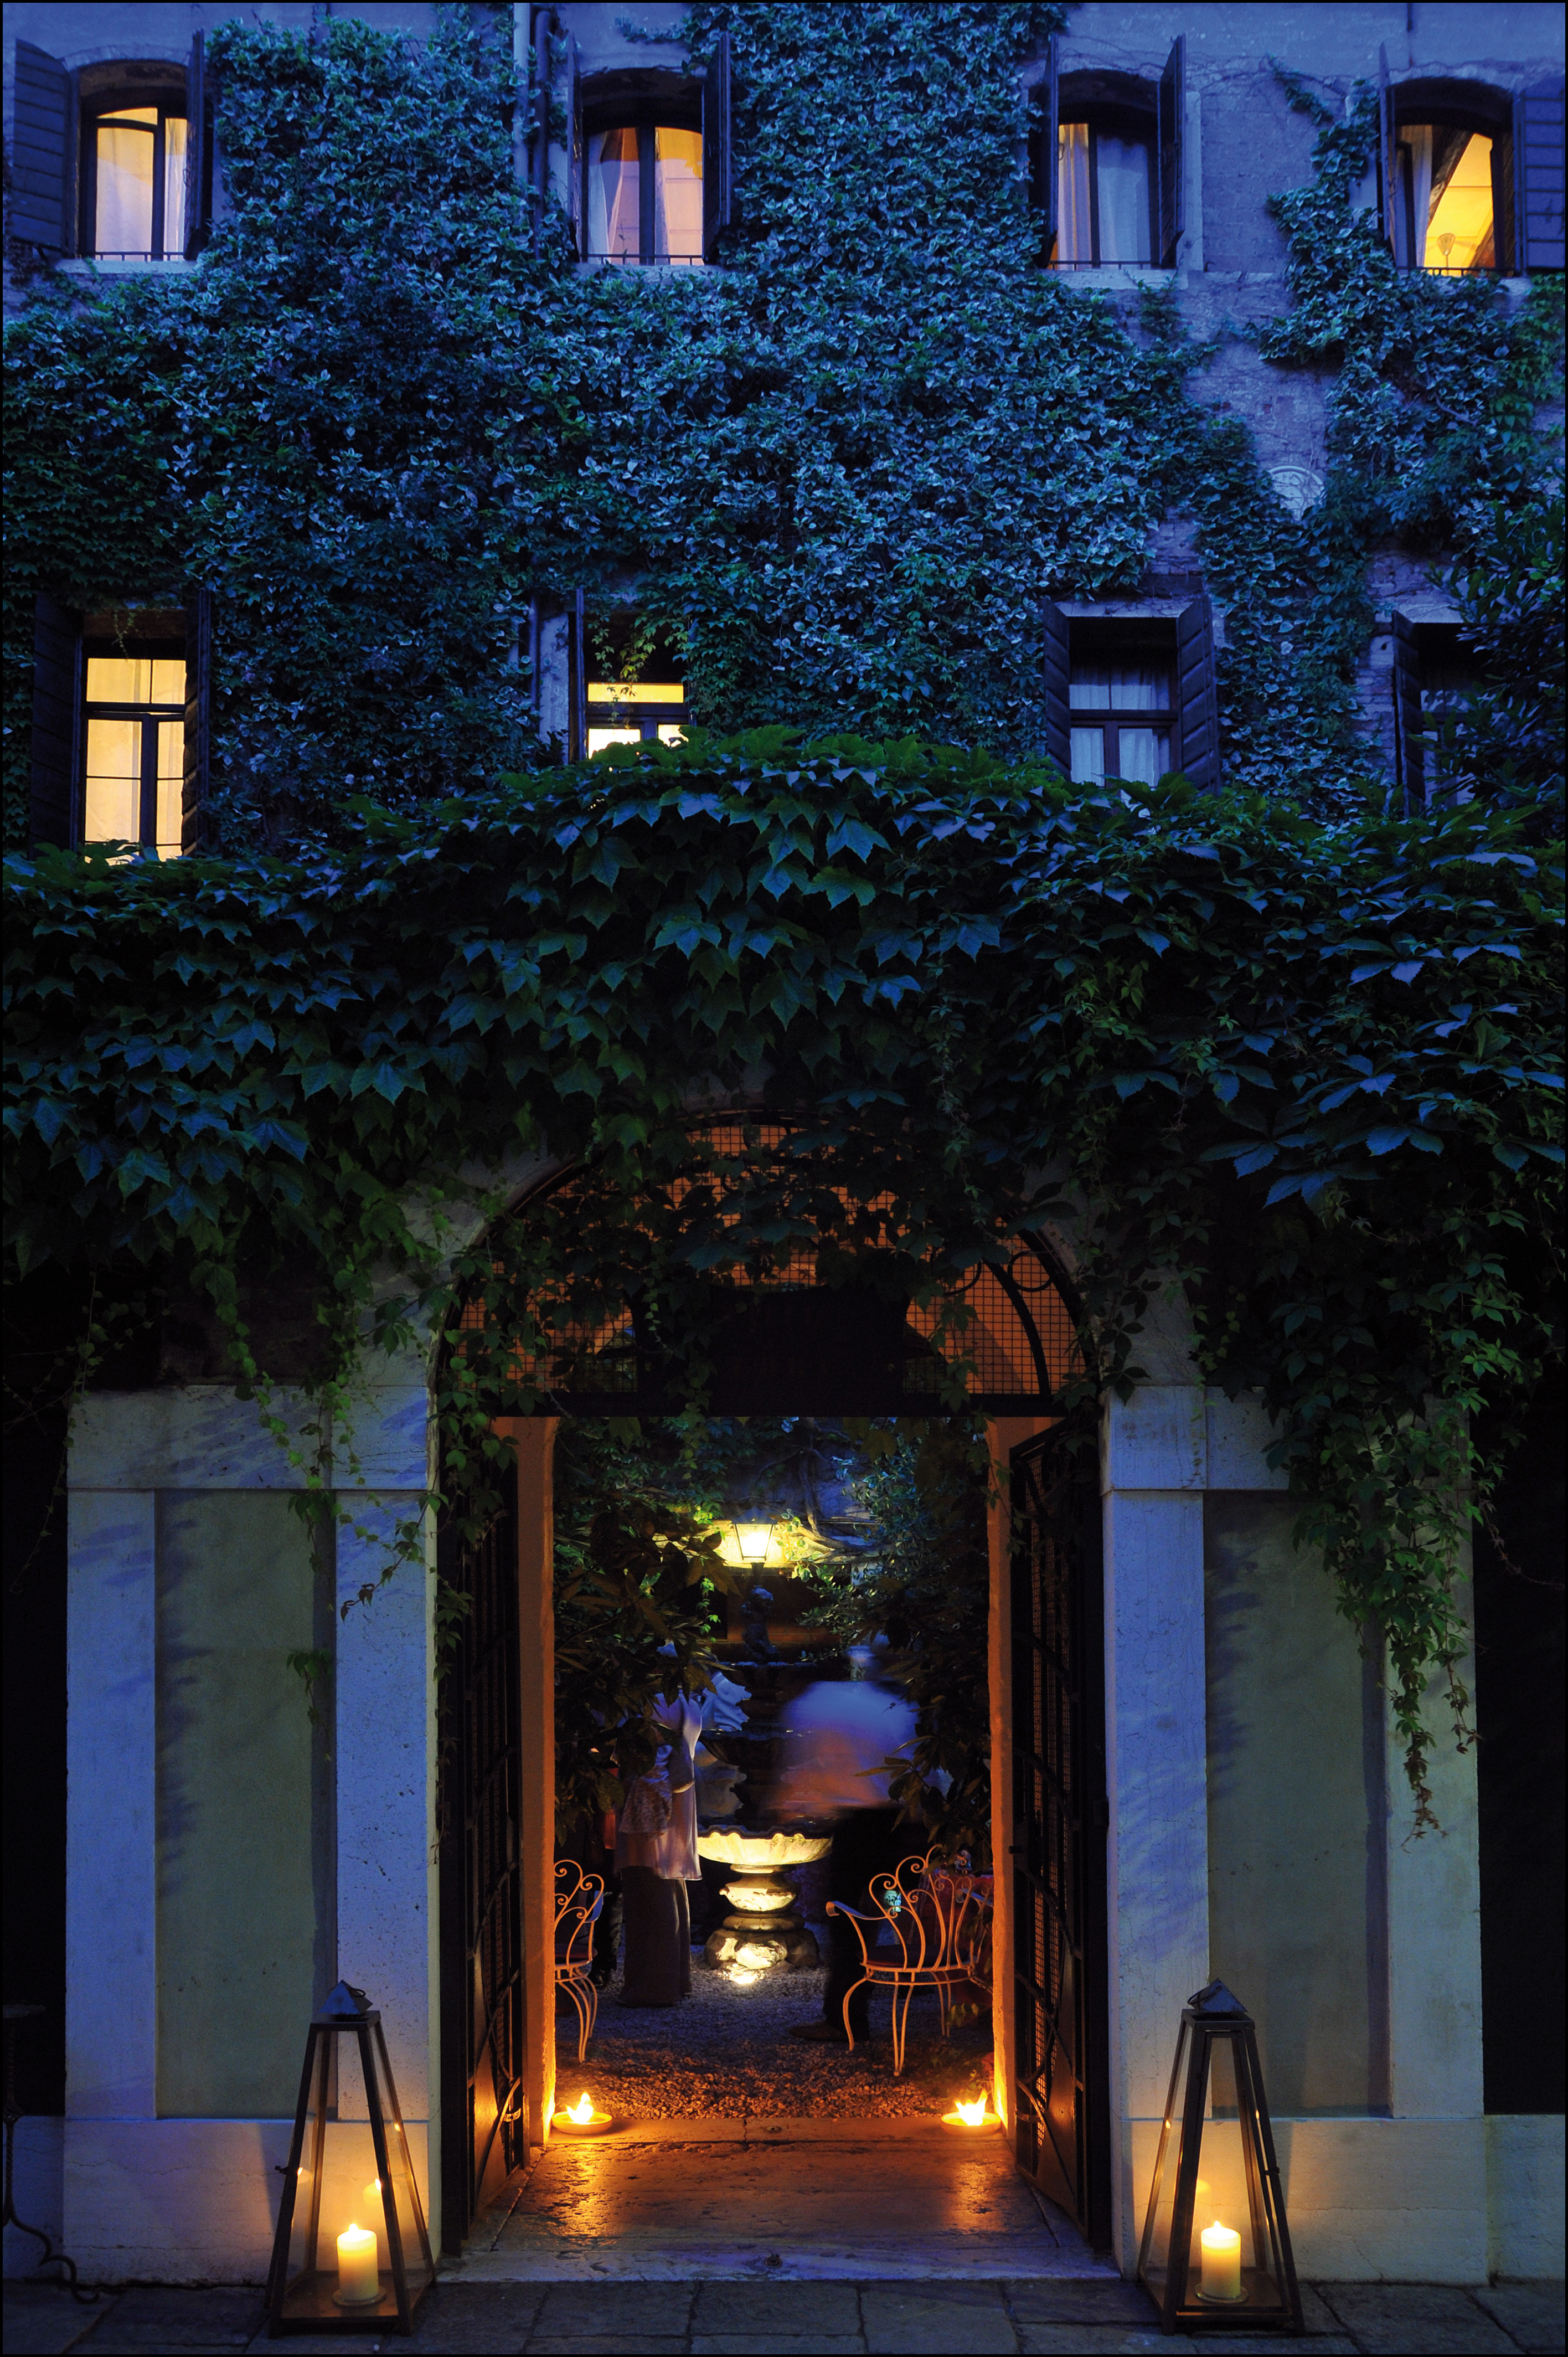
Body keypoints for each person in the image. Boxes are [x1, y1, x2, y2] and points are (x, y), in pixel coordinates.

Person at [772, 1677, 920, 2047]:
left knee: (846, 1920)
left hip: (858, 1830)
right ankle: (912, 1973)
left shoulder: (818, 1705)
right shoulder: (895, 1708)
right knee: (896, 1905)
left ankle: (845, 2020)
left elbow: (824, 1765)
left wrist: (795, 1801)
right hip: (899, 1826)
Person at [614, 1689, 704, 2006]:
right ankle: (674, 1980)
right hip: (672, 1799)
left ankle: (653, 1986)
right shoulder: (687, 1701)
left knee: (649, 1889)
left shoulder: (658, 1700)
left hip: (652, 1802)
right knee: (668, 1884)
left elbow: (653, 1757)